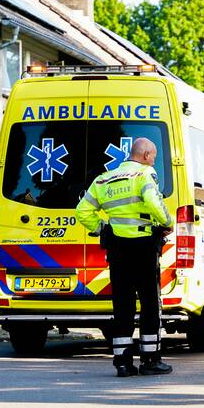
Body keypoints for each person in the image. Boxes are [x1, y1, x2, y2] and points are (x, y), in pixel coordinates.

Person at [76, 137, 173, 377]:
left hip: (117, 249)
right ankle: (150, 360)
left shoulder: (104, 178)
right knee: (150, 303)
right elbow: (153, 201)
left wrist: (103, 228)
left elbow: (82, 211)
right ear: (147, 155)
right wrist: (167, 222)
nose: (153, 161)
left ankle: (122, 362)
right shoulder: (144, 175)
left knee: (123, 305)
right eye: (154, 157)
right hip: (143, 246)